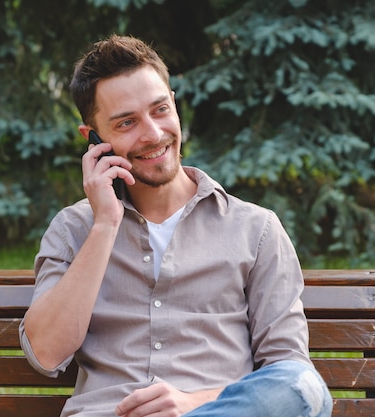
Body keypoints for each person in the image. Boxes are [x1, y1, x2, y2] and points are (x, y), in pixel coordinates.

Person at [19, 34, 332, 417]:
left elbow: (290, 375)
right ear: (94, 140)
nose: (152, 133)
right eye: (126, 122)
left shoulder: (257, 230)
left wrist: (194, 404)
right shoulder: (73, 229)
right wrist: (105, 223)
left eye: (160, 109)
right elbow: (46, 354)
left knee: (305, 389)